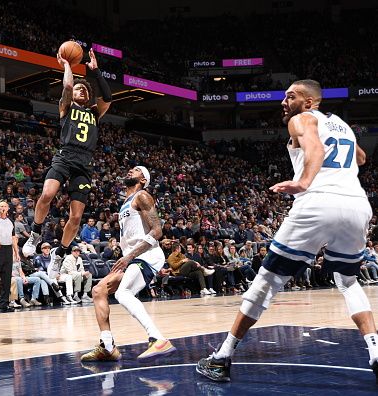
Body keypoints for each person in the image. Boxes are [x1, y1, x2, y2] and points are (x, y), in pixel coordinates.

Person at [196, 80, 378, 384]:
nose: (284, 101)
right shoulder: (342, 125)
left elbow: (316, 149)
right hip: (358, 206)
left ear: (309, 102)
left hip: (318, 201)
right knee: (347, 281)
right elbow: (361, 158)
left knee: (268, 279)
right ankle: (375, 350)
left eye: (290, 96)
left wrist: (304, 182)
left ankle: (222, 357)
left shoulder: (301, 119)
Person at [22, 48, 112, 263]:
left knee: (76, 216)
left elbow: (107, 98)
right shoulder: (66, 106)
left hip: (84, 162)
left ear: (89, 97)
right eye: (78, 89)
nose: (80, 91)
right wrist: (67, 65)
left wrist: (97, 71)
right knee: (46, 194)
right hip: (65, 155)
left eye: (84, 90)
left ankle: (60, 253)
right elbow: (68, 86)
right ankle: (35, 233)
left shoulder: (94, 113)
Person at [80, 167, 176, 361]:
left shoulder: (143, 196)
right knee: (99, 290)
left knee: (123, 293)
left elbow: (157, 231)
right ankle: (107, 346)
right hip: (132, 257)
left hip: (147, 255)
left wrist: (129, 256)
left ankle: (158, 339)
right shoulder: (125, 202)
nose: (131, 170)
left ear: (143, 179)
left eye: (137, 170)